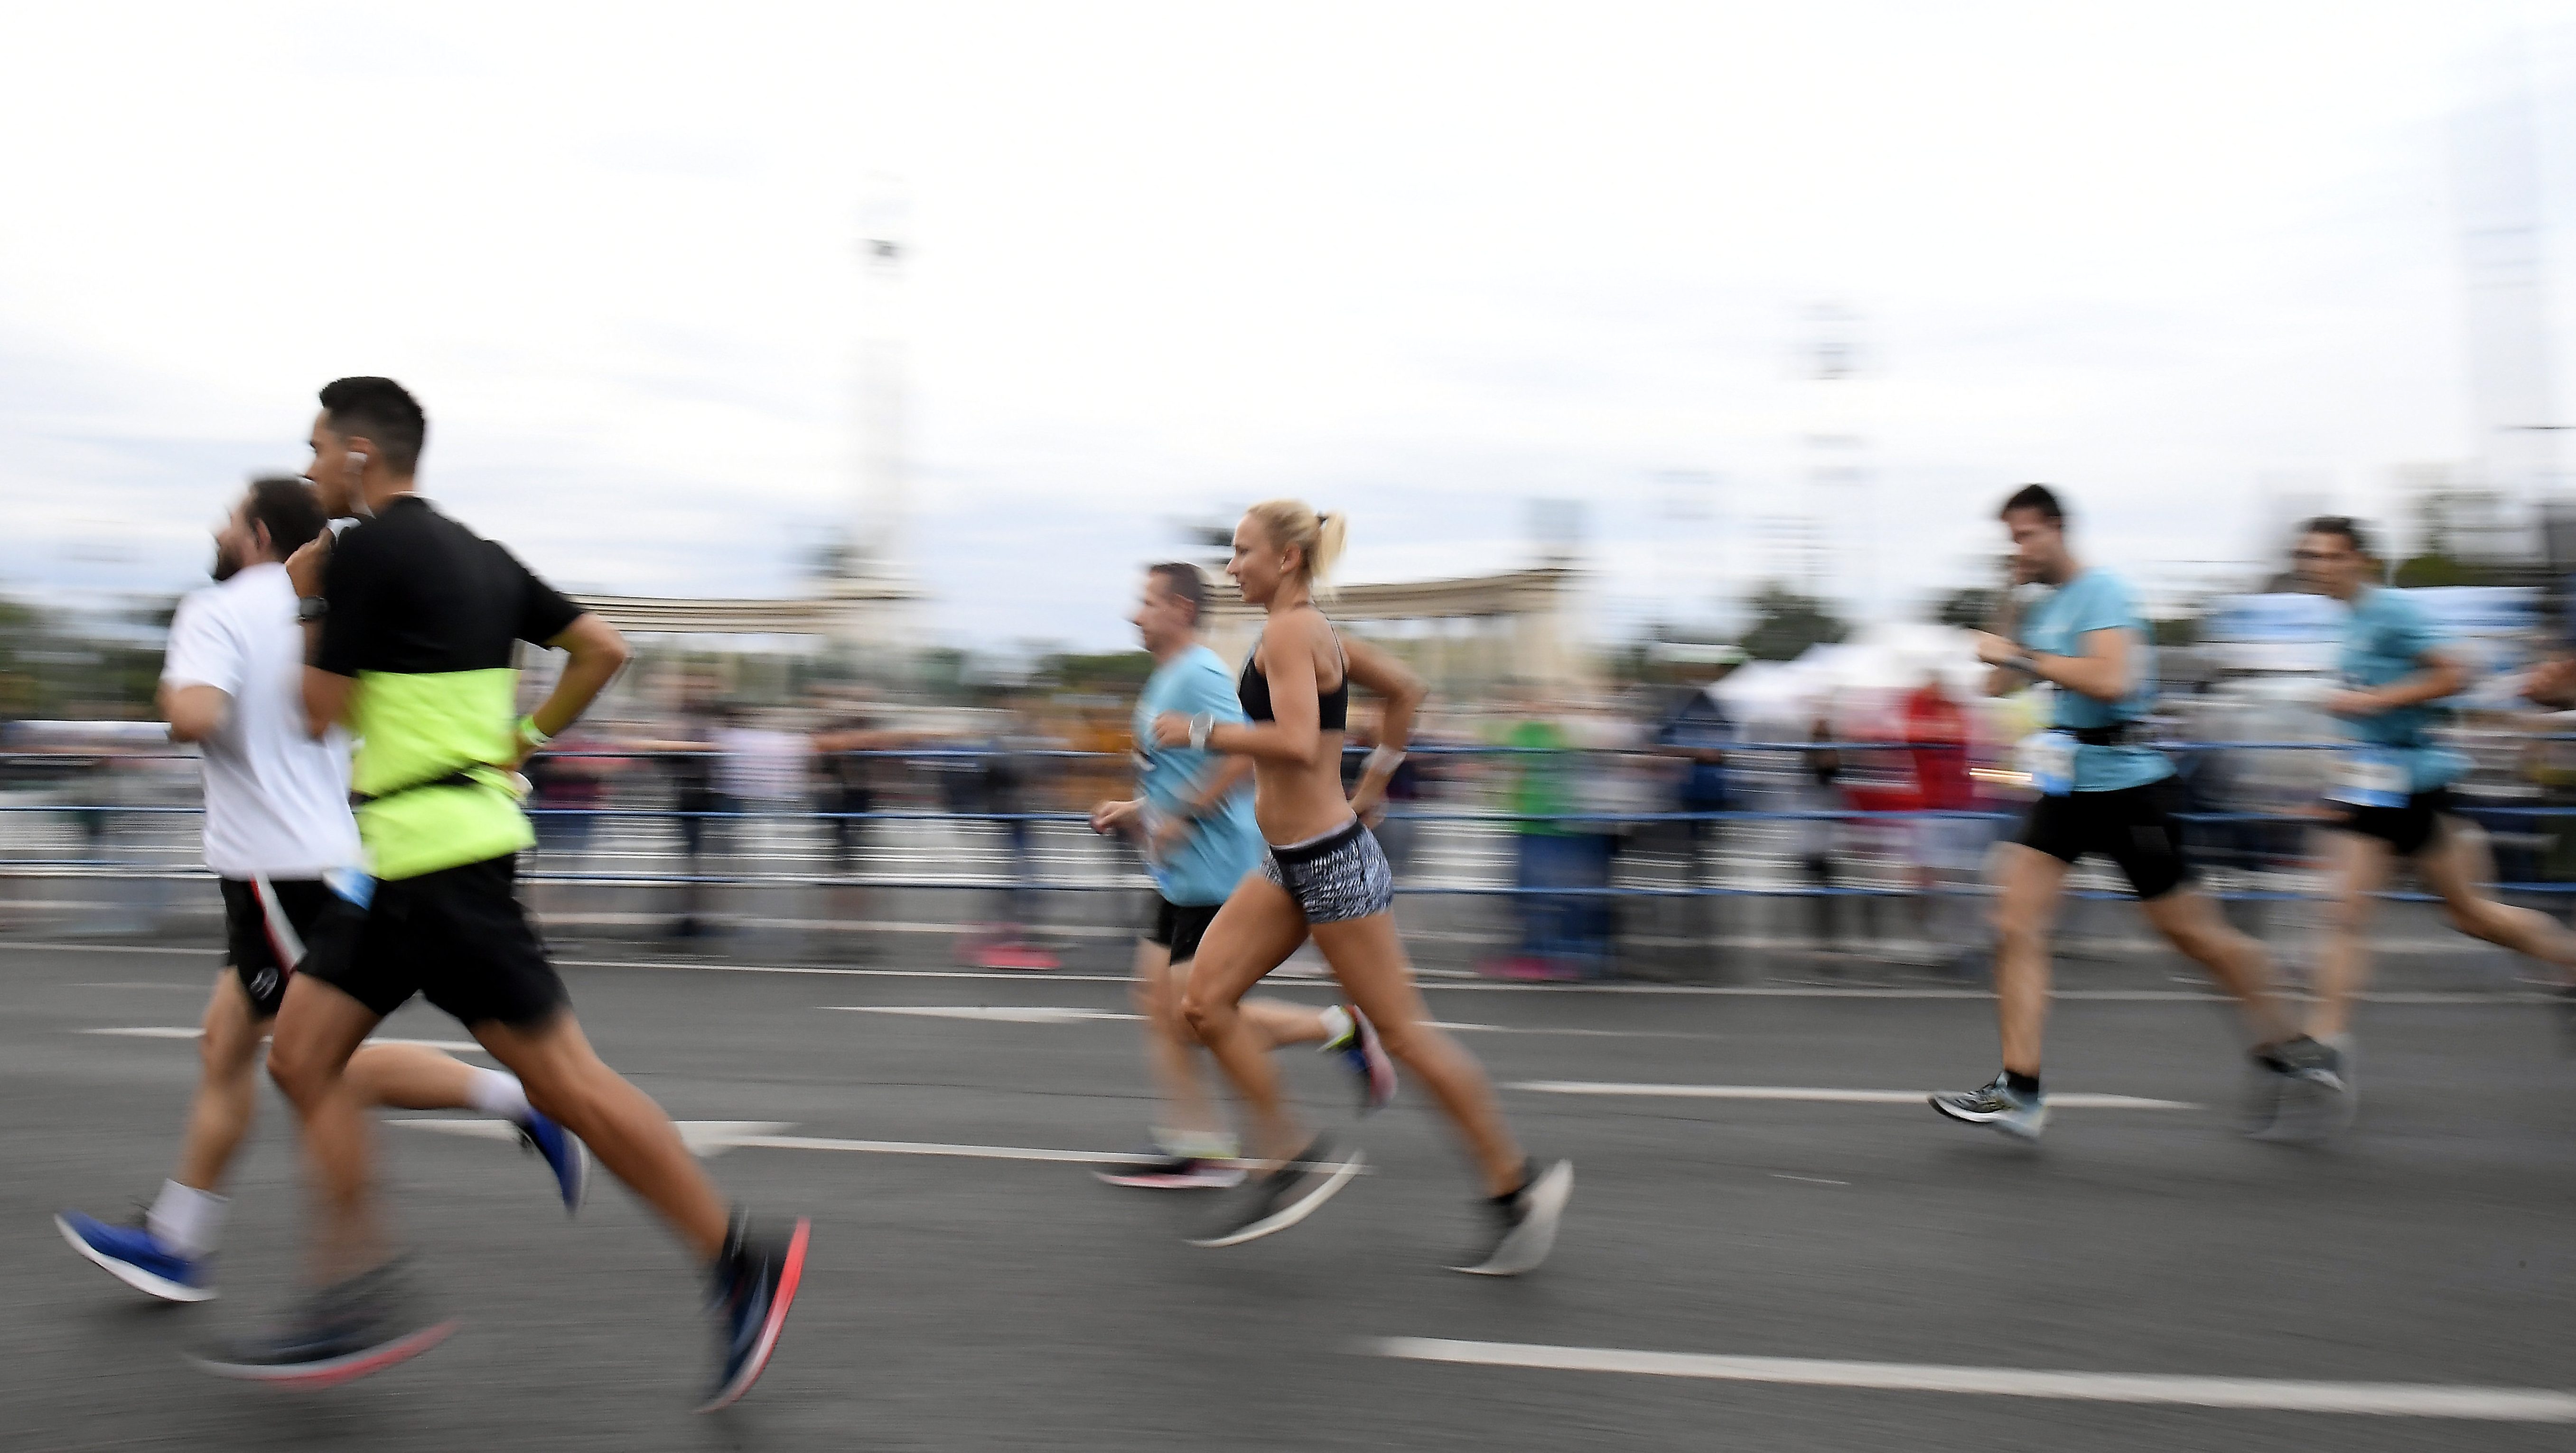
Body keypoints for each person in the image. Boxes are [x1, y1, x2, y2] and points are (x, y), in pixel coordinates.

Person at [203, 378, 807, 1410]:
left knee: (570, 1083)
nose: (308, 473)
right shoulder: (479, 554)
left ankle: (736, 1262)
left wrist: (306, 593)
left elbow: (314, 715)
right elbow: (601, 648)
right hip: (402, 864)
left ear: (358, 454)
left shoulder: (361, 559)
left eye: (316, 452)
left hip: (438, 870)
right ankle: (352, 1294)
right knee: (301, 1054)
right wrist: (523, 741)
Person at [55, 477, 583, 1305]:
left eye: (228, 518)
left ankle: (511, 1111)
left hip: (277, 871)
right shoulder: (332, 611)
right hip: (324, 856)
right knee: (226, 1046)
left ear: (260, 535)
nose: (216, 528)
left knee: (312, 1062)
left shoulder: (215, 609)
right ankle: (177, 1238)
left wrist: (168, 700)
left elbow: (194, 716)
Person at [1157, 501, 1572, 1273]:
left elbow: (1287, 739)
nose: (1230, 566)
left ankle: (1517, 1186)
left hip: (1329, 863)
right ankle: (1288, 1153)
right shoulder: (1315, 631)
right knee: (1200, 1001)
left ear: (1285, 558)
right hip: (1290, 861)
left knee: (1408, 1034)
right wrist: (1374, 782)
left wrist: (1199, 731)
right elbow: (1407, 688)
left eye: (1242, 551)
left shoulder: (1290, 631)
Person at [1932, 485, 2345, 1142]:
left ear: (2059, 530)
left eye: (2027, 536)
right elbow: (1994, 683)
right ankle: (2020, 1089)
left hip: (2129, 788)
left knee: (2194, 937)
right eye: (2011, 539)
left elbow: (2110, 681)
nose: (2019, 548)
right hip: (2069, 786)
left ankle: (2295, 1045)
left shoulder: (2105, 592)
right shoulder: (2045, 605)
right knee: (2011, 921)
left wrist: (2017, 654)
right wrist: (2009, 599)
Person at [1089, 563, 1395, 1189]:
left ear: (1179, 608)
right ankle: (1196, 1141)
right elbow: (1172, 771)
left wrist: (1185, 816)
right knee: (1154, 1001)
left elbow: (1251, 744)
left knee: (1192, 1013)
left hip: (1215, 869)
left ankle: (1334, 1032)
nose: (1134, 613)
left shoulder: (1199, 672)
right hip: (1178, 872)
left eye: (1147, 602)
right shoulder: (1167, 676)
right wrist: (1145, 810)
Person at [2295, 516, 2576, 1090]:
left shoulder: (2390, 611)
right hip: (2376, 784)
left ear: (2360, 561)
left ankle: (2326, 1043)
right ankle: (2326, 1044)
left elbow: (2458, 672)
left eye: (2329, 557)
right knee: (2418, 912)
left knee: (2441, 913)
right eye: (2310, 556)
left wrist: (2374, 700)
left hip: (2411, 781)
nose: (2317, 566)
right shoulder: (2349, 619)